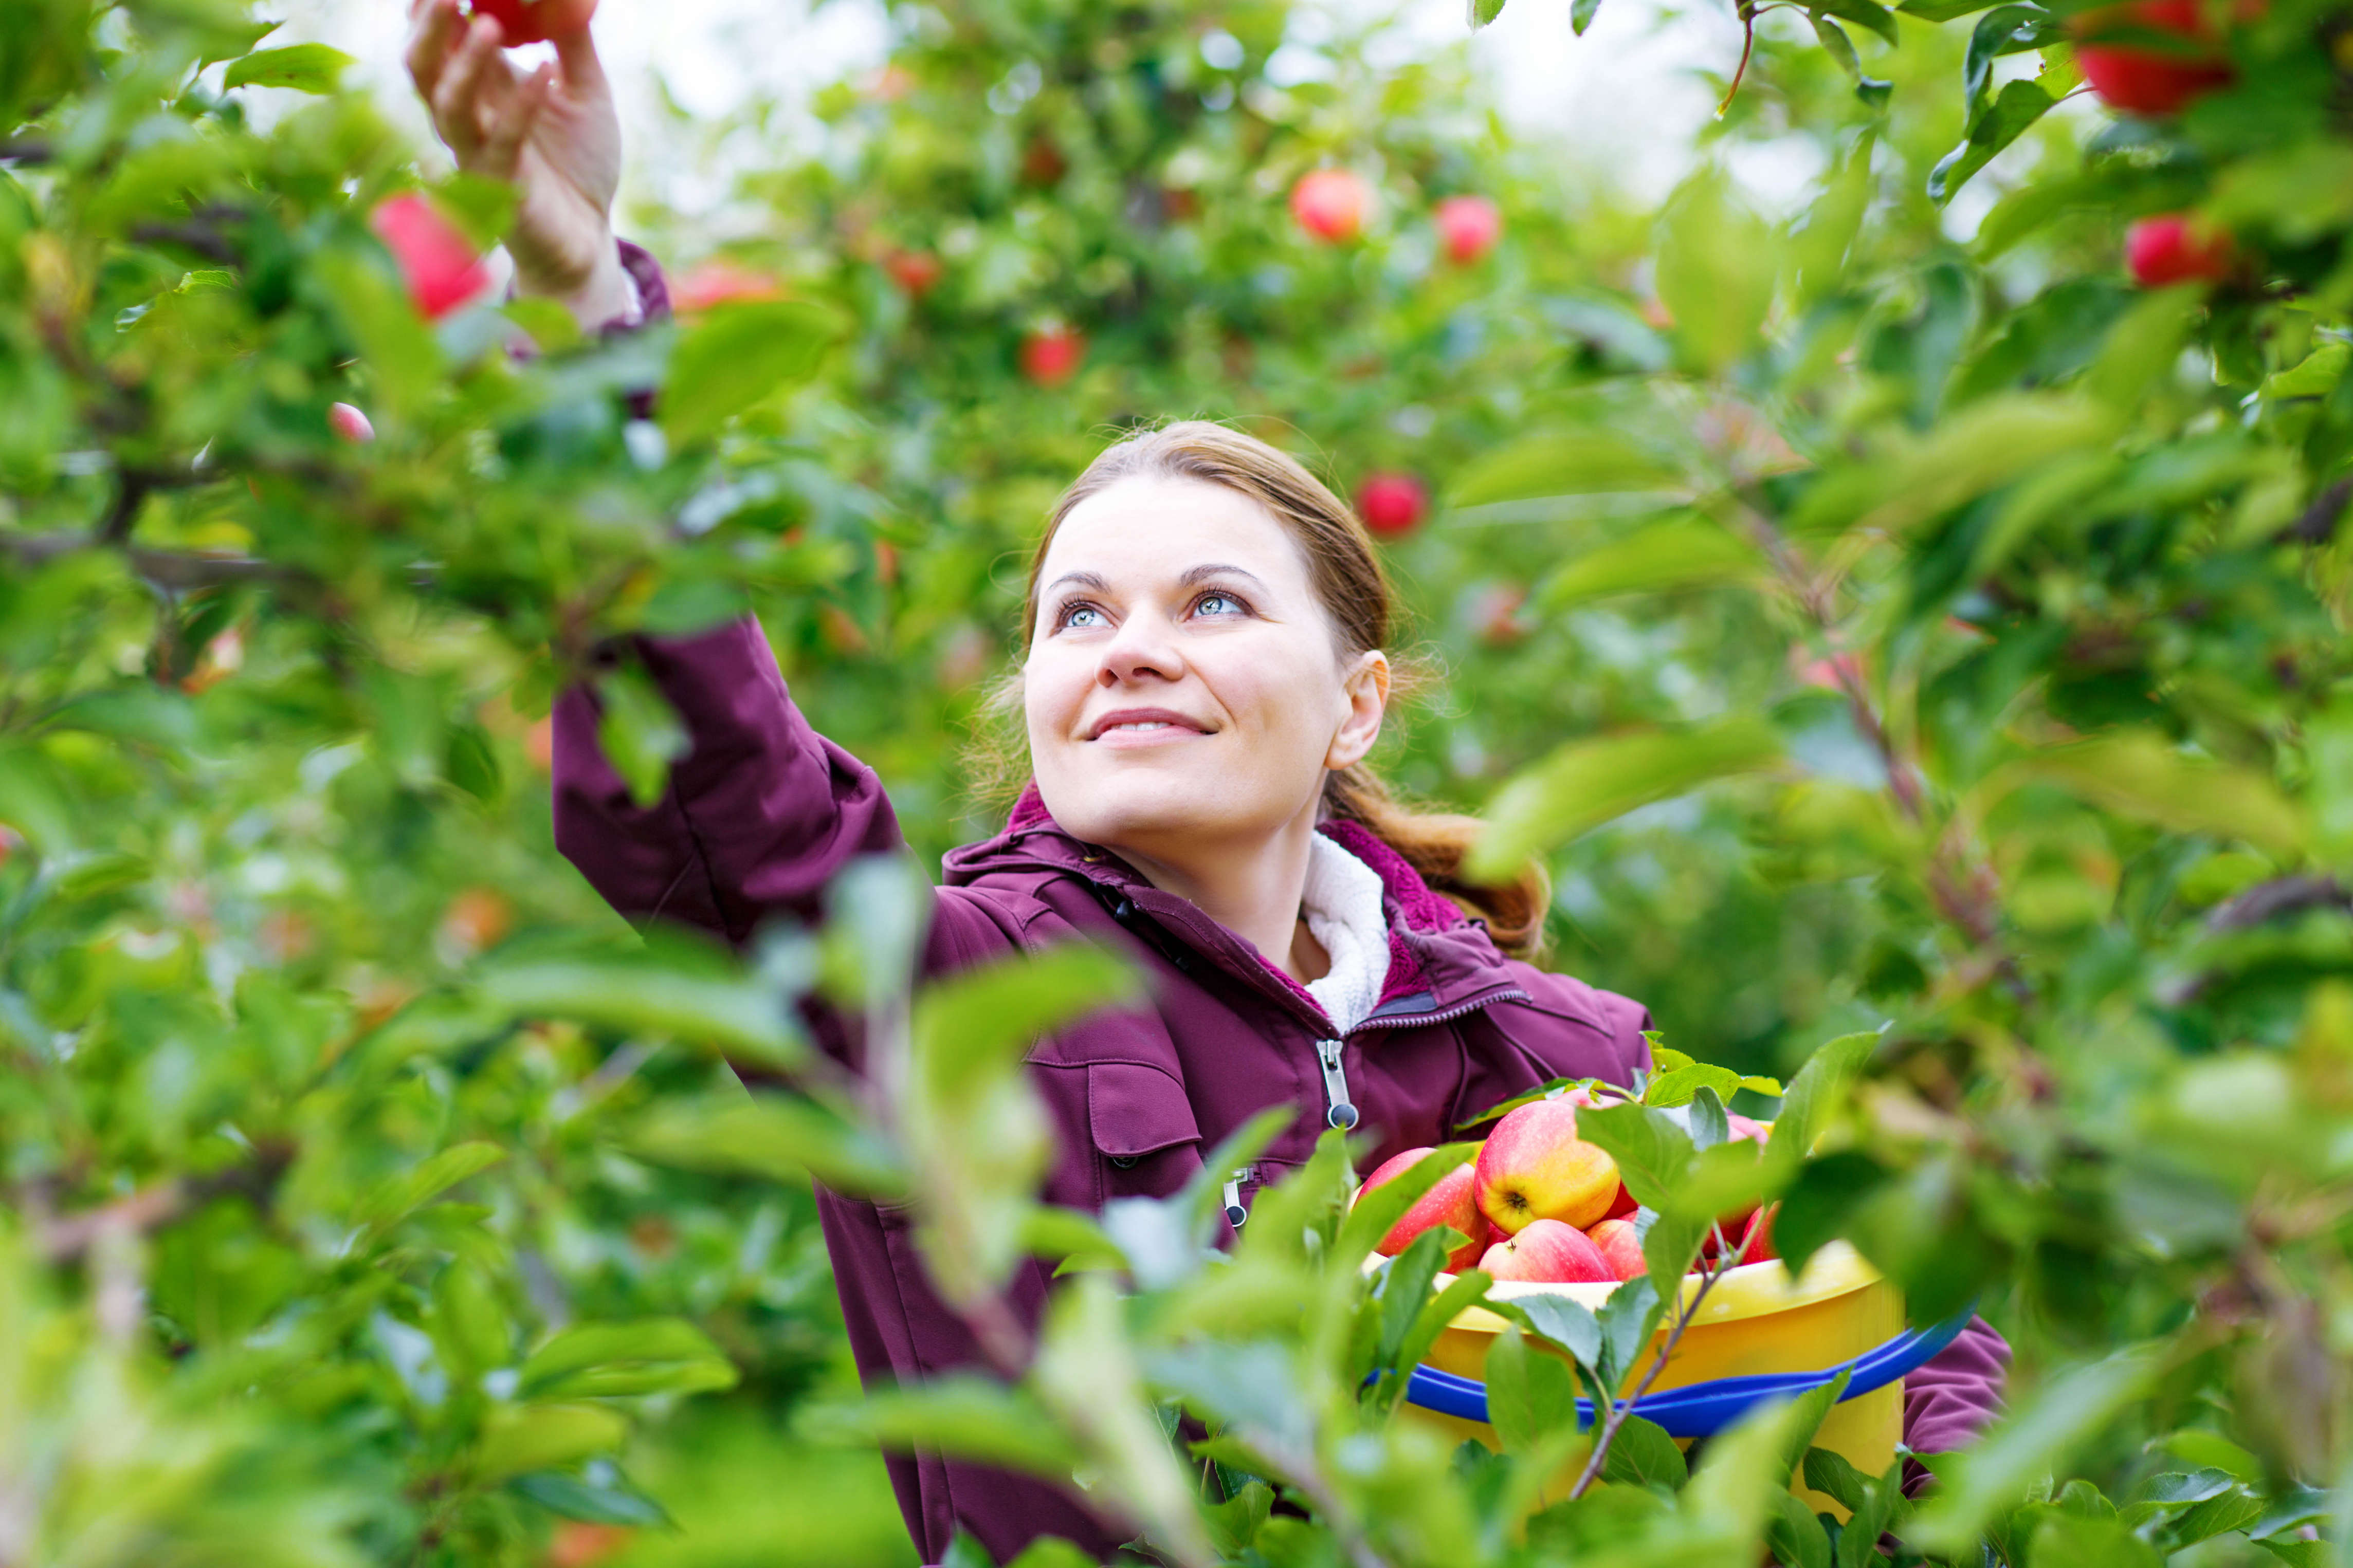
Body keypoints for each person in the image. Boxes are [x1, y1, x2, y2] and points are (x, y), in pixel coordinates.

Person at [402, 5, 2010, 1560]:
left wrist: (1942, 1509)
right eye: (1077, 614)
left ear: (1355, 706)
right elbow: (726, 813)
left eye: (1214, 603)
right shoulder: (957, 998)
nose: (1130, 649)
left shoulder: (1545, 1047)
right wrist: (583, 302)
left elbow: (1877, 1303)